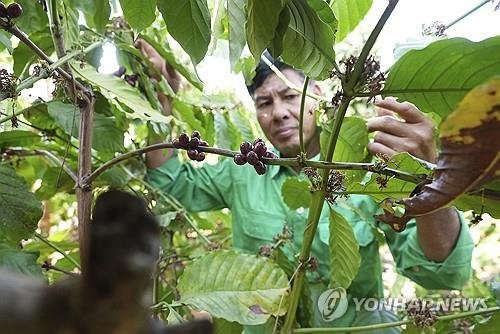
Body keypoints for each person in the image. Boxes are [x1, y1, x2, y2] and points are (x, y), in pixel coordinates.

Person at [137, 41, 474, 330]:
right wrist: (159, 107)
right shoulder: (242, 173)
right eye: (265, 103)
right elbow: (174, 183)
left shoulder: (370, 169)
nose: (280, 112)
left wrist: (427, 179)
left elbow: (444, 274)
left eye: (289, 96)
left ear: (318, 94)